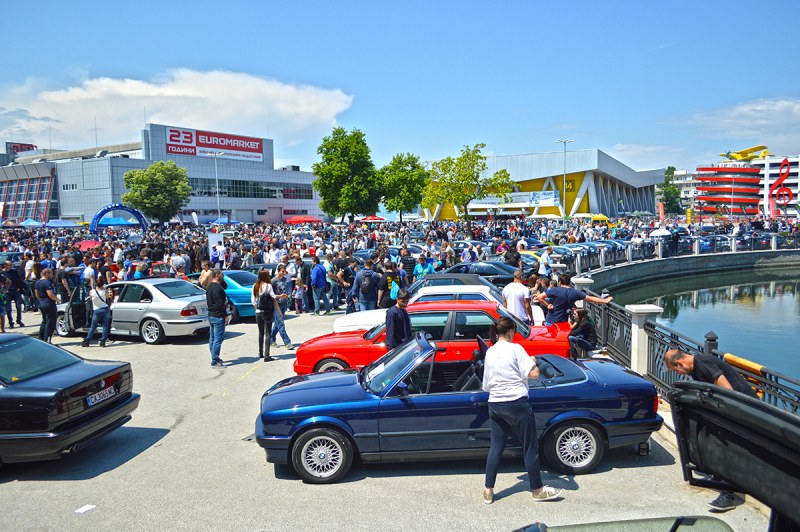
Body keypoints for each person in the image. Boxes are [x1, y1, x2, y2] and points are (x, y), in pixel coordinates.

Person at [665, 348, 759, 512]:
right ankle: (719, 478)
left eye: (676, 370)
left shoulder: (703, 363)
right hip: (734, 411)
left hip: (745, 410)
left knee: (725, 449)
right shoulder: (695, 369)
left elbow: (727, 392)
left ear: (679, 363)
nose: (680, 373)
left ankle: (728, 495)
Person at [482, 317, 562, 504]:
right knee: (529, 447)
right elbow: (534, 374)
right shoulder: (516, 349)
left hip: (495, 404)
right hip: (517, 403)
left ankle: (488, 489)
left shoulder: (490, 352)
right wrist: (532, 362)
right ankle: (537, 489)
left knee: (496, 447)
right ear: (510, 331)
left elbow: (486, 384)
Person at [535, 274, 613, 326]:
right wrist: (604, 301)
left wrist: (548, 305)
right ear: (569, 282)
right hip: (563, 322)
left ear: (559, 282)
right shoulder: (575, 292)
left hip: (551, 321)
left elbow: (539, 297)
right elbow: (590, 298)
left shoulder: (555, 290)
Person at [252, 269, 281, 361]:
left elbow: (253, 301)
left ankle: (260, 352)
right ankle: (267, 355)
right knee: (268, 333)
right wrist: (279, 312)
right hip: (267, 312)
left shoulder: (255, 286)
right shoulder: (268, 286)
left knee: (261, 333)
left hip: (258, 312)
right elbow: (273, 298)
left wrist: (257, 308)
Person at [206, 269, 229, 368]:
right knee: (218, 339)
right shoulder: (217, 289)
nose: (222, 275)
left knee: (213, 338)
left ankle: (214, 356)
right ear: (217, 275)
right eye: (221, 274)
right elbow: (220, 304)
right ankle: (214, 360)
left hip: (211, 315)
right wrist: (225, 316)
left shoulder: (209, 287)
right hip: (218, 316)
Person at [269, 264, 295, 350]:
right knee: (281, 323)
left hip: (284, 303)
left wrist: (286, 296)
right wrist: (280, 296)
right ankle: (287, 342)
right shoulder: (273, 281)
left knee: (277, 323)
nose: (284, 273)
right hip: (277, 304)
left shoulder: (284, 279)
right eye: (282, 271)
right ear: (278, 271)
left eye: (285, 271)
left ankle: (271, 339)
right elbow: (270, 295)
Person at [81, 276, 112, 348]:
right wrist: (104, 289)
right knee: (105, 326)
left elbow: (91, 299)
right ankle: (103, 341)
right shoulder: (105, 291)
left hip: (96, 310)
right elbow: (108, 298)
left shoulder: (92, 292)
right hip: (105, 309)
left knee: (93, 326)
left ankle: (88, 340)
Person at [35, 267, 59, 343]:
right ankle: (47, 340)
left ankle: (41, 338)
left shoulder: (38, 282)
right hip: (49, 304)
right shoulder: (47, 283)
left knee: (44, 322)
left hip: (42, 303)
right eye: (51, 274)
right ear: (47, 274)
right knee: (50, 323)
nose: (52, 276)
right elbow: (50, 294)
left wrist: (40, 301)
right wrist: (57, 299)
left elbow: (36, 293)